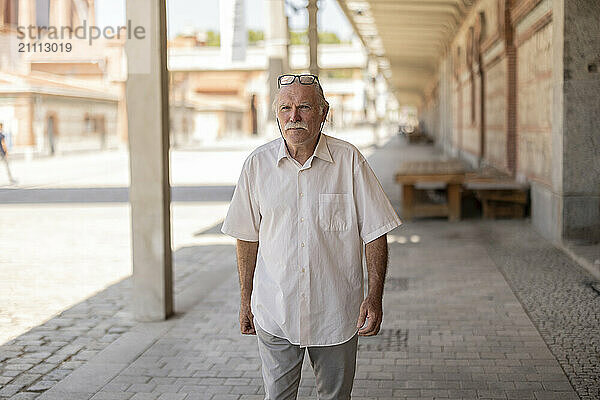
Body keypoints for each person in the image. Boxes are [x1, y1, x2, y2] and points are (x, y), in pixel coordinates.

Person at [221, 74, 401, 399]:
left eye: (304, 107)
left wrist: (374, 298)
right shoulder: (257, 166)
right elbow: (246, 237)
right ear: (276, 113)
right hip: (275, 312)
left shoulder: (349, 161)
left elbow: (376, 232)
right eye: (286, 108)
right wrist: (245, 299)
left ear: (323, 111)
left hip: (336, 314)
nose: (294, 116)